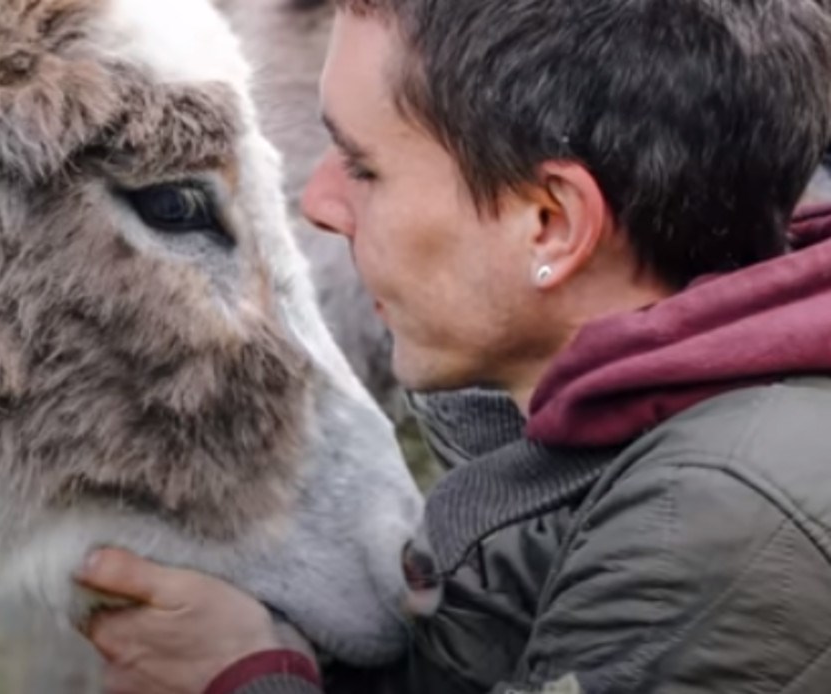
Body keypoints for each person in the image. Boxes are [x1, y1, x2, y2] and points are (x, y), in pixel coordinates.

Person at [74, 0, 831, 692]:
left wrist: (247, 680)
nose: (319, 203)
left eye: (365, 167)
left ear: (550, 224)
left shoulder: (709, 520)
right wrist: (266, 651)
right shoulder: (603, 436)